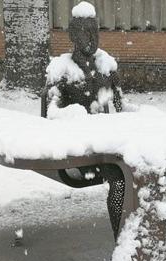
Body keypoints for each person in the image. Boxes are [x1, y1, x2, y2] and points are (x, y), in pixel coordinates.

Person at [43, 2, 126, 238]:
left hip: (112, 144)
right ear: (71, 35)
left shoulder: (106, 67)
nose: (91, 38)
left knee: (148, 174)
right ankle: (124, 243)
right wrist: (75, 115)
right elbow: (50, 113)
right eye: (84, 31)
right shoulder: (62, 70)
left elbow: (123, 108)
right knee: (120, 181)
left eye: (95, 31)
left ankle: (146, 237)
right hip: (84, 150)